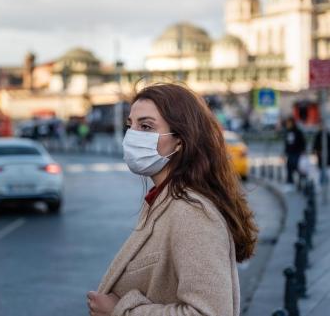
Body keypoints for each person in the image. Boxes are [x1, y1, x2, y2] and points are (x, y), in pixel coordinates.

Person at [87, 83, 258, 316]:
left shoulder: (192, 212)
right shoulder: (163, 199)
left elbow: (209, 312)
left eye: (146, 126)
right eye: (131, 125)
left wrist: (121, 311)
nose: (133, 136)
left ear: (180, 140)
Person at [283, 117, 306, 184]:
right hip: (290, 153)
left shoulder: (298, 132)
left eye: (288, 123)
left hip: (297, 152)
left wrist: (302, 151)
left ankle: (301, 180)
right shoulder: (287, 132)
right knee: (289, 167)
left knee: (297, 167)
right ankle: (290, 182)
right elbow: (287, 144)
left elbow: (302, 142)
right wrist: (285, 152)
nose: (287, 124)